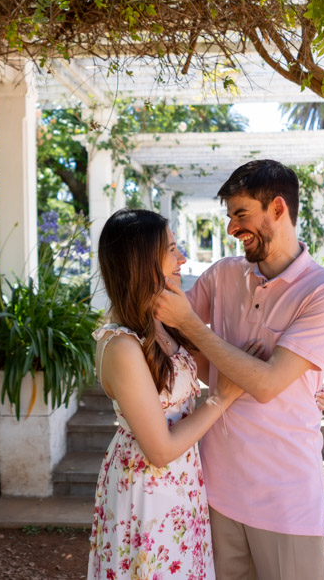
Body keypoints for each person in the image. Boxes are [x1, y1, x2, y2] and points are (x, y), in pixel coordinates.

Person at [156, 159, 324, 580]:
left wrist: (199, 333)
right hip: (215, 489)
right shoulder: (225, 274)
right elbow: (163, 318)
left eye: (241, 214)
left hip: (286, 498)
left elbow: (264, 386)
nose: (231, 228)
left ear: (278, 209)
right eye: (229, 216)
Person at [87, 208, 244, 579]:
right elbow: (158, 451)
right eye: (172, 250)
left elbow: (219, 363)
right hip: (148, 491)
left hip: (182, 485)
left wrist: (302, 392)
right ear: (142, 261)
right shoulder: (122, 345)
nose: (183, 259)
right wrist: (221, 399)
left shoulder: (161, 322)